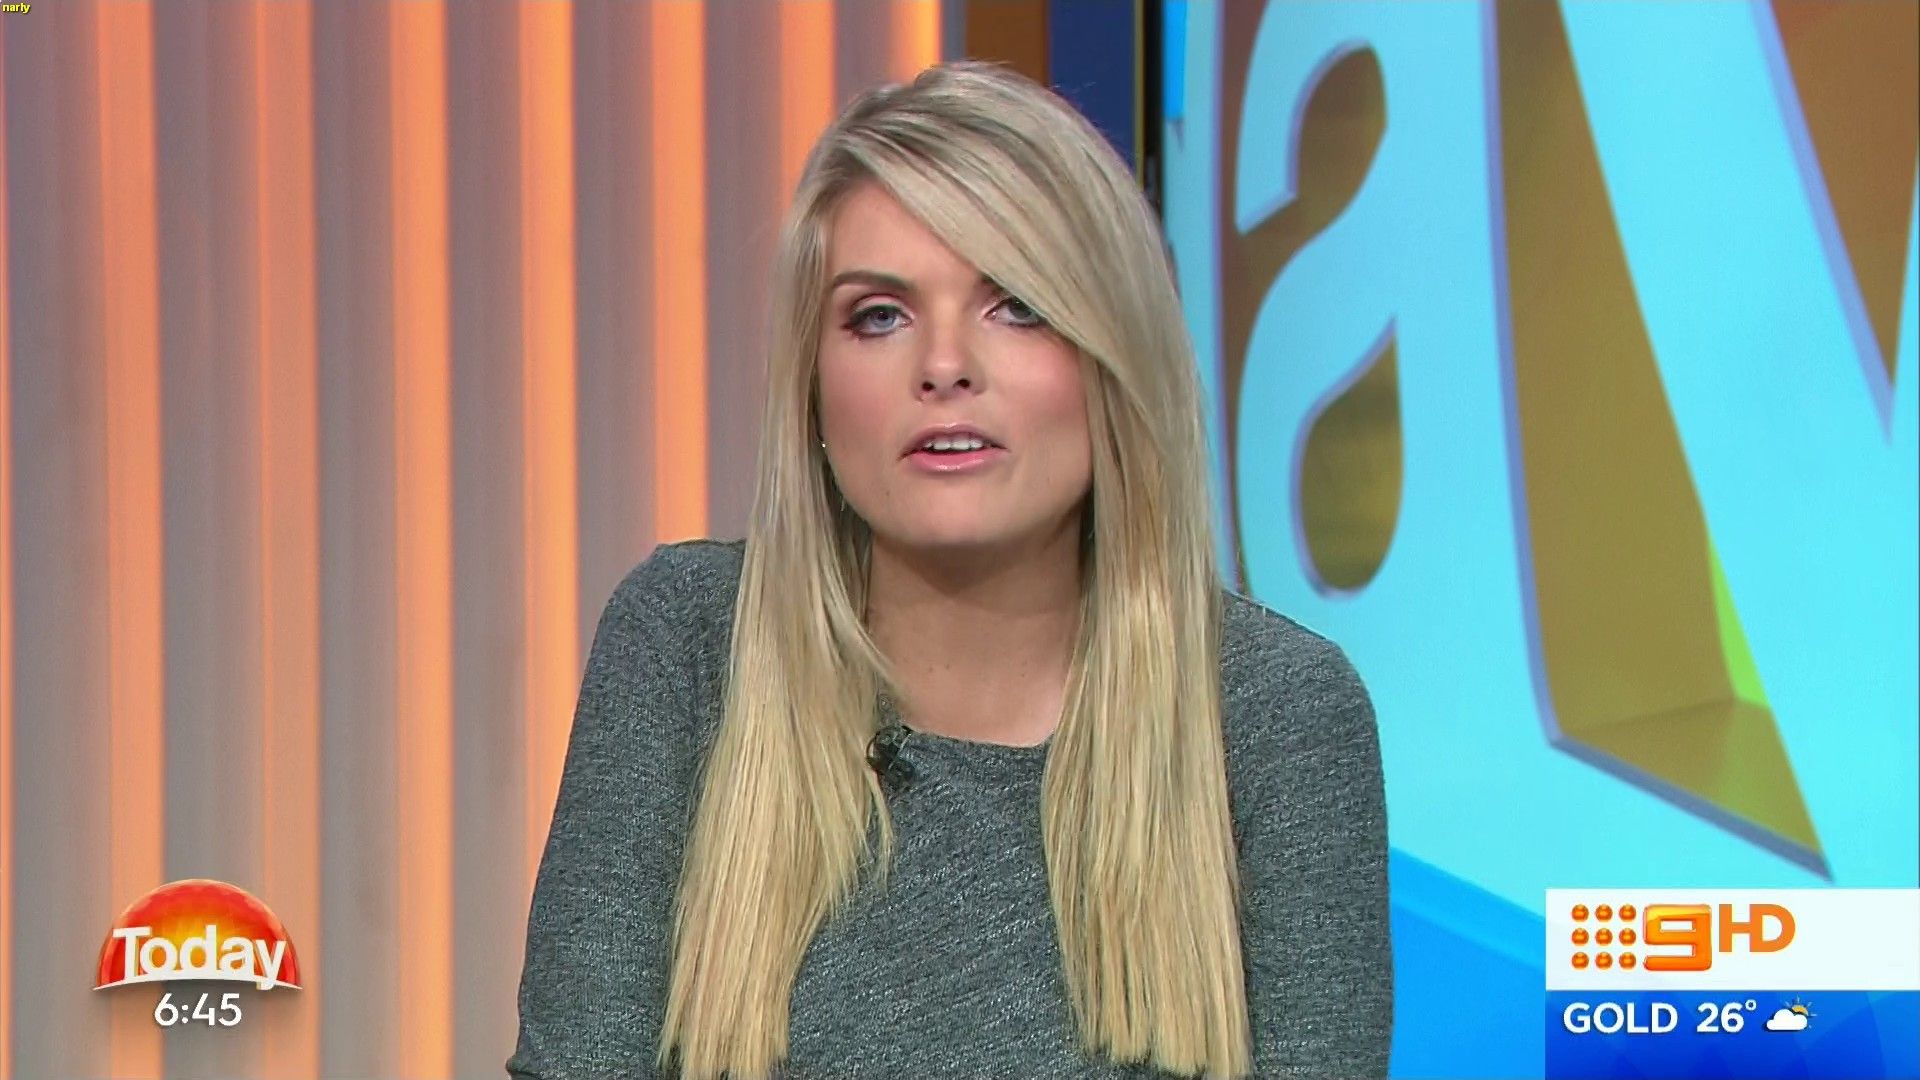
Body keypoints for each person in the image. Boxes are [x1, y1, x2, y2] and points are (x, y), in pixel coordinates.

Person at [507, 60, 1391, 1080]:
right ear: (814, 391)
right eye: (879, 316)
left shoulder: (1273, 713)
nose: (943, 366)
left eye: (1016, 305)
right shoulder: (693, 643)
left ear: (1115, 361)